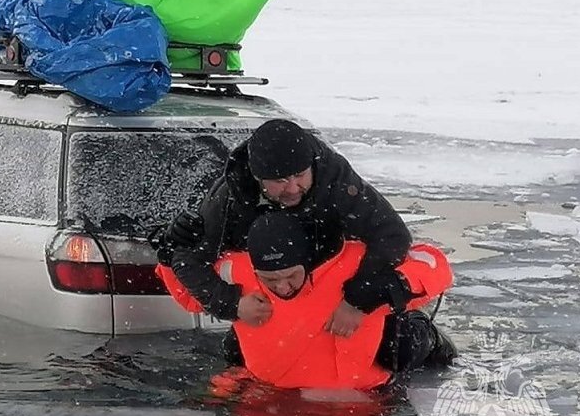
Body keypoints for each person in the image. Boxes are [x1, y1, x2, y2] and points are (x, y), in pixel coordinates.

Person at [157, 118, 416, 359]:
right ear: (258, 179)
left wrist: (358, 300)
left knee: (404, 345)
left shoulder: (335, 181)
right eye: (280, 181)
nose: (292, 188)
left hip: (335, 310)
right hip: (272, 321)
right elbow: (188, 258)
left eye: (300, 176)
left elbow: (392, 236)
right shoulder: (232, 197)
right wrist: (232, 304)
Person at [158, 212, 457, 388]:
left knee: (405, 341)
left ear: (308, 261)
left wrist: (379, 290)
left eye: (290, 276)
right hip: (277, 401)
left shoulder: (355, 263)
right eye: (270, 279)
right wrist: (170, 254)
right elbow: (189, 296)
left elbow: (435, 264)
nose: (282, 286)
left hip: (366, 398)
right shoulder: (237, 269)